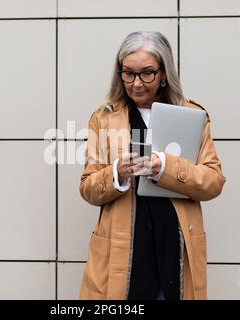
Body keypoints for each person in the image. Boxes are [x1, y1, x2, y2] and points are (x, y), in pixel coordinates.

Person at [78, 31, 226, 300]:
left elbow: (213, 182)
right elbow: (88, 188)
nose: (136, 83)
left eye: (147, 73)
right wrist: (116, 173)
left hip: (174, 249)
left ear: (164, 73)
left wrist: (164, 168)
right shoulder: (104, 118)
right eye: (128, 73)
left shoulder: (192, 116)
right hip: (123, 254)